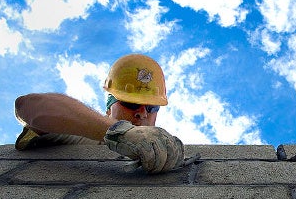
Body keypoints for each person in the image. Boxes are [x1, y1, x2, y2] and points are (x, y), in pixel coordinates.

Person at [14, 54, 184, 173]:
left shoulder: (164, 155)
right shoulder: (79, 136)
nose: (142, 114)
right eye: (131, 104)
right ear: (110, 107)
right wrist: (121, 132)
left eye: (151, 107)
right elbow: (28, 106)